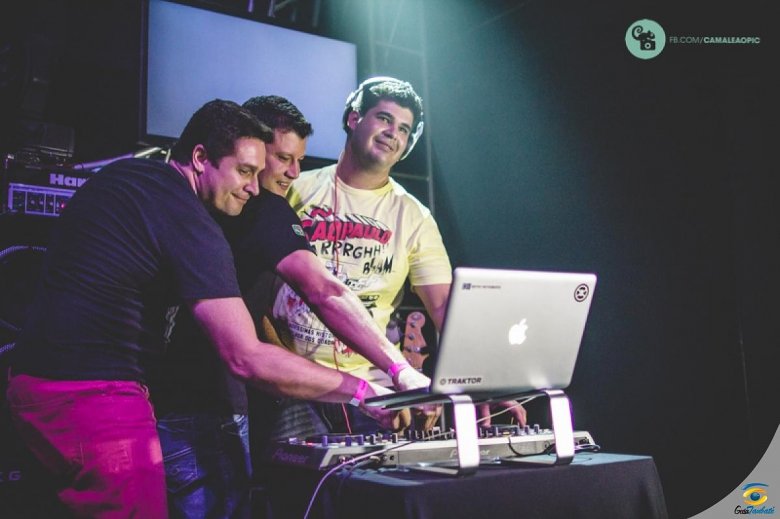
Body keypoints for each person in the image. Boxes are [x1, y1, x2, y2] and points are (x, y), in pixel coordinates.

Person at [5, 99, 405, 519]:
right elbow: (246, 356)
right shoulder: (189, 217)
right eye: (245, 171)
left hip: (31, 389)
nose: (254, 188)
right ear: (200, 158)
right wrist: (364, 391)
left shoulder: (124, 176)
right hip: (96, 397)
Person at [152, 95, 429, 519]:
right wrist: (395, 371)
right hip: (205, 405)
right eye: (282, 159)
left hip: (162, 399)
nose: (293, 173)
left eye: (298, 160)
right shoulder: (265, 208)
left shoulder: (188, 200)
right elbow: (323, 292)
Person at [268, 77, 527, 439]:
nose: (393, 133)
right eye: (385, 119)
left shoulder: (414, 216)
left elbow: (444, 306)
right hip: (295, 383)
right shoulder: (294, 188)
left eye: (404, 129)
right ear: (354, 118)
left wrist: (484, 379)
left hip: (375, 390)